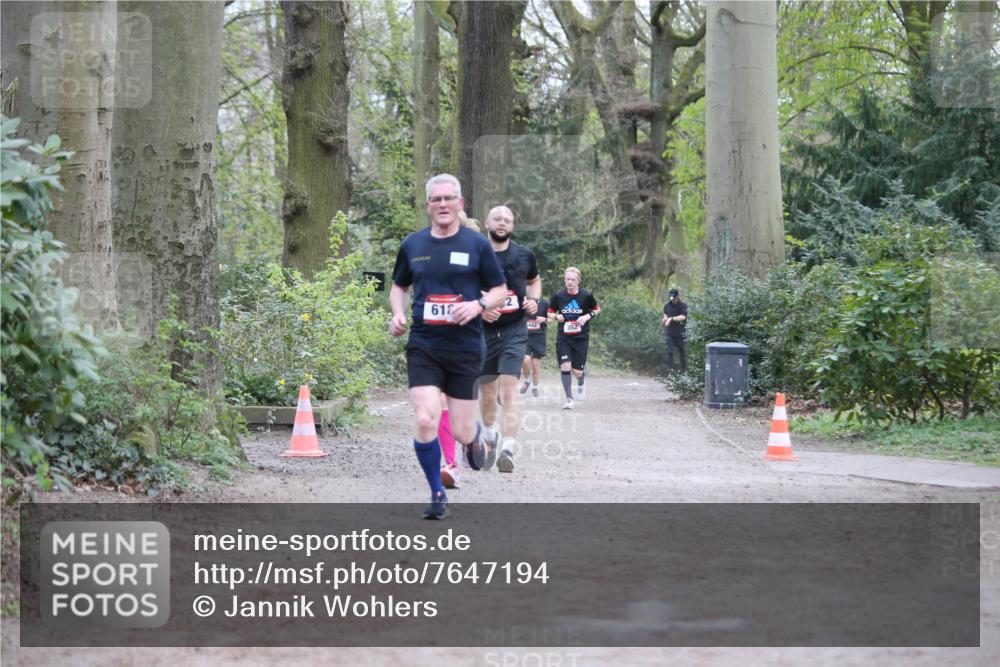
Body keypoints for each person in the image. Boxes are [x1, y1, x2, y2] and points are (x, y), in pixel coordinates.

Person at [389, 174, 507, 518]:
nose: (442, 204)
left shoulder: (477, 244)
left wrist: (478, 305)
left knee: (460, 430)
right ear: (428, 205)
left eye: (448, 198)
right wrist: (397, 314)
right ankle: (437, 492)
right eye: (436, 199)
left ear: (460, 203)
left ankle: (475, 436)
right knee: (426, 418)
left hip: (465, 347)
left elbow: (500, 291)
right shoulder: (413, 244)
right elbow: (399, 287)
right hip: (424, 345)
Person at [478, 205, 541, 474]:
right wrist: (481, 306)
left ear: (512, 226)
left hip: (515, 330)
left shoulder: (524, 255)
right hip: (484, 332)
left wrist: (534, 300)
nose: (502, 223)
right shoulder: (475, 253)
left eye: (507, 220)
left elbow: (534, 280)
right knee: (487, 390)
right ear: (487, 223)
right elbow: (460, 287)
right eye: (497, 219)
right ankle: (489, 436)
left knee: (508, 389)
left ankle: (508, 449)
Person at [549, 267, 600, 410]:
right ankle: (569, 399)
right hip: (564, 337)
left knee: (577, 371)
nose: (569, 282)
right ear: (564, 280)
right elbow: (550, 311)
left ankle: (581, 380)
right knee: (565, 366)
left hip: (581, 337)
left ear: (578, 281)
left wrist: (586, 317)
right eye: (567, 279)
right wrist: (556, 316)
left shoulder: (586, 295)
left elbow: (597, 309)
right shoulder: (558, 296)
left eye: (572, 279)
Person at [519, 296, 550, 398]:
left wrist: (544, 319)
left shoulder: (545, 303)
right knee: (525, 360)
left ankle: (535, 387)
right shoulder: (522, 301)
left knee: (535, 364)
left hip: (539, 337)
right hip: (525, 336)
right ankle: (527, 380)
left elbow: (551, 319)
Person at [662, 288, 688, 374]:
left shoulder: (683, 305)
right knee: (670, 352)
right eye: (671, 298)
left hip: (680, 333)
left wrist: (671, 319)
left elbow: (683, 317)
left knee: (682, 353)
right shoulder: (667, 306)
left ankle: (684, 372)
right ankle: (671, 373)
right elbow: (665, 315)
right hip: (670, 333)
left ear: (677, 297)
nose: (672, 299)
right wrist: (665, 319)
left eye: (674, 298)